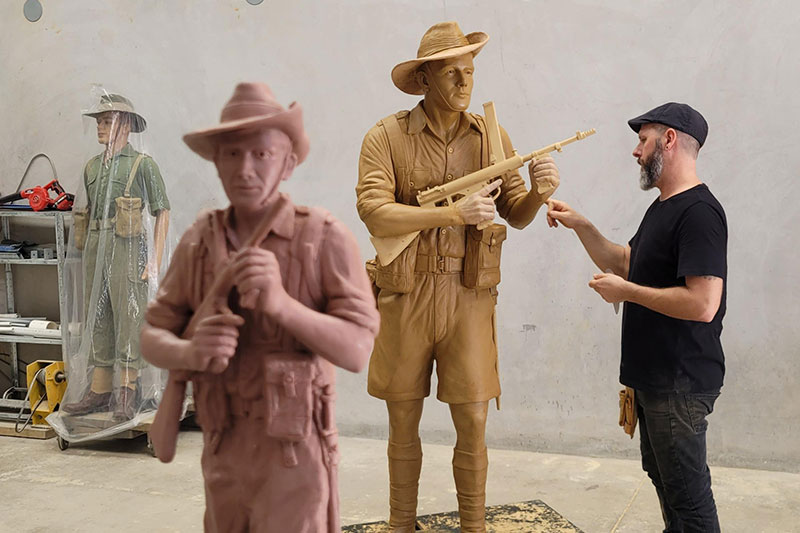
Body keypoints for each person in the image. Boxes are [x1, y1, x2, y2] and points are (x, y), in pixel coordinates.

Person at [140, 82, 380, 532]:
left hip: (294, 460)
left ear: (288, 163)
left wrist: (282, 305)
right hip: (223, 453)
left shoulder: (323, 239)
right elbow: (152, 334)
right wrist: (189, 354)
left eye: (261, 154)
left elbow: (357, 350)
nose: (245, 168)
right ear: (216, 162)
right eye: (231, 154)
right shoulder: (198, 242)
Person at [356, 21, 560, 532]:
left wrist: (538, 191)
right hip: (406, 295)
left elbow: (515, 211)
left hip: (469, 294)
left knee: (472, 420)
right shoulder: (386, 137)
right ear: (424, 79)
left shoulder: (491, 137)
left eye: (469, 72)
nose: (464, 83)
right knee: (403, 421)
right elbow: (375, 212)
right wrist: (452, 214)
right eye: (451, 73)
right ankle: (401, 523)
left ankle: (474, 526)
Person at [547, 102, 726, 532]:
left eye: (643, 140)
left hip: (679, 382)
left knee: (688, 498)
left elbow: (704, 303)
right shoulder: (663, 208)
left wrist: (627, 294)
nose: (636, 151)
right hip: (655, 381)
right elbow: (628, 263)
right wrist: (582, 226)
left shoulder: (699, 213)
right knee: (667, 484)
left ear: (669, 140)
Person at [61, 93, 170, 422]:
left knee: (128, 315)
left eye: (107, 121)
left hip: (128, 247)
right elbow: (88, 210)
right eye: (98, 122)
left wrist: (154, 260)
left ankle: (127, 389)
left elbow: (162, 211)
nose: (100, 128)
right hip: (97, 245)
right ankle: (99, 389)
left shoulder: (142, 165)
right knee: (98, 316)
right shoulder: (92, 167)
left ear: (125, 126)